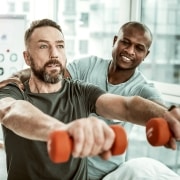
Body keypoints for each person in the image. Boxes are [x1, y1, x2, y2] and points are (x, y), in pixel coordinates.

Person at [0, 19, 180, 180]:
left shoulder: (81, 90)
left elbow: (128, 106)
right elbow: (12, 110)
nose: (54, 53)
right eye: (43, 46)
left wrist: (165, 115)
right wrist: (63, 131)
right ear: (27, 57)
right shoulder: (12, 90)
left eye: (60, 45)